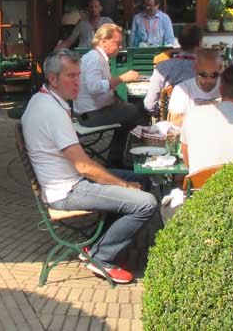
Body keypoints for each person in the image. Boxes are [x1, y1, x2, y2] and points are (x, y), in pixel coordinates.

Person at [22, 50, 158, 285]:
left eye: (79, 75)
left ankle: (102, 243)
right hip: (67, 190)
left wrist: (124, 184)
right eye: (71, 76)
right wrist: (125, 186)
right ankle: (102, 257)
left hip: (69, 180)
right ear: (53, 78)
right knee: (147, 203)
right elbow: (84, 166)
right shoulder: (52, 111)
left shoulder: (42, 99)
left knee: (142, 179)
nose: (78, 82)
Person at [74, 23, 146, 167]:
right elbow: (94, 87)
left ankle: (116, 160)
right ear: (104, 41)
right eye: (117, 43)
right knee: (140, 112)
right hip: (92, 115)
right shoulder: (95, 59)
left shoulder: (96, 57)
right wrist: (122, 78)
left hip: (91, 112)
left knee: (129, 113)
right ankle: (137, 159)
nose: (120, 47)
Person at [143, 23, 203, 114]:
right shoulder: (207, 72)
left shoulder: (161, 67)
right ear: (200, 44)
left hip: (170, 120)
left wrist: (162, 114)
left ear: (179, 42)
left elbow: (149, 105)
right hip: (199, 118)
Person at [166, 49, 223, 128]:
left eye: (214, 75)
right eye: (203, 75)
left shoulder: (227, 88)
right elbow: (175, 121)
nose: (208, 80)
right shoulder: (182, 89)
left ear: (220, 69)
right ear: (196, 68)